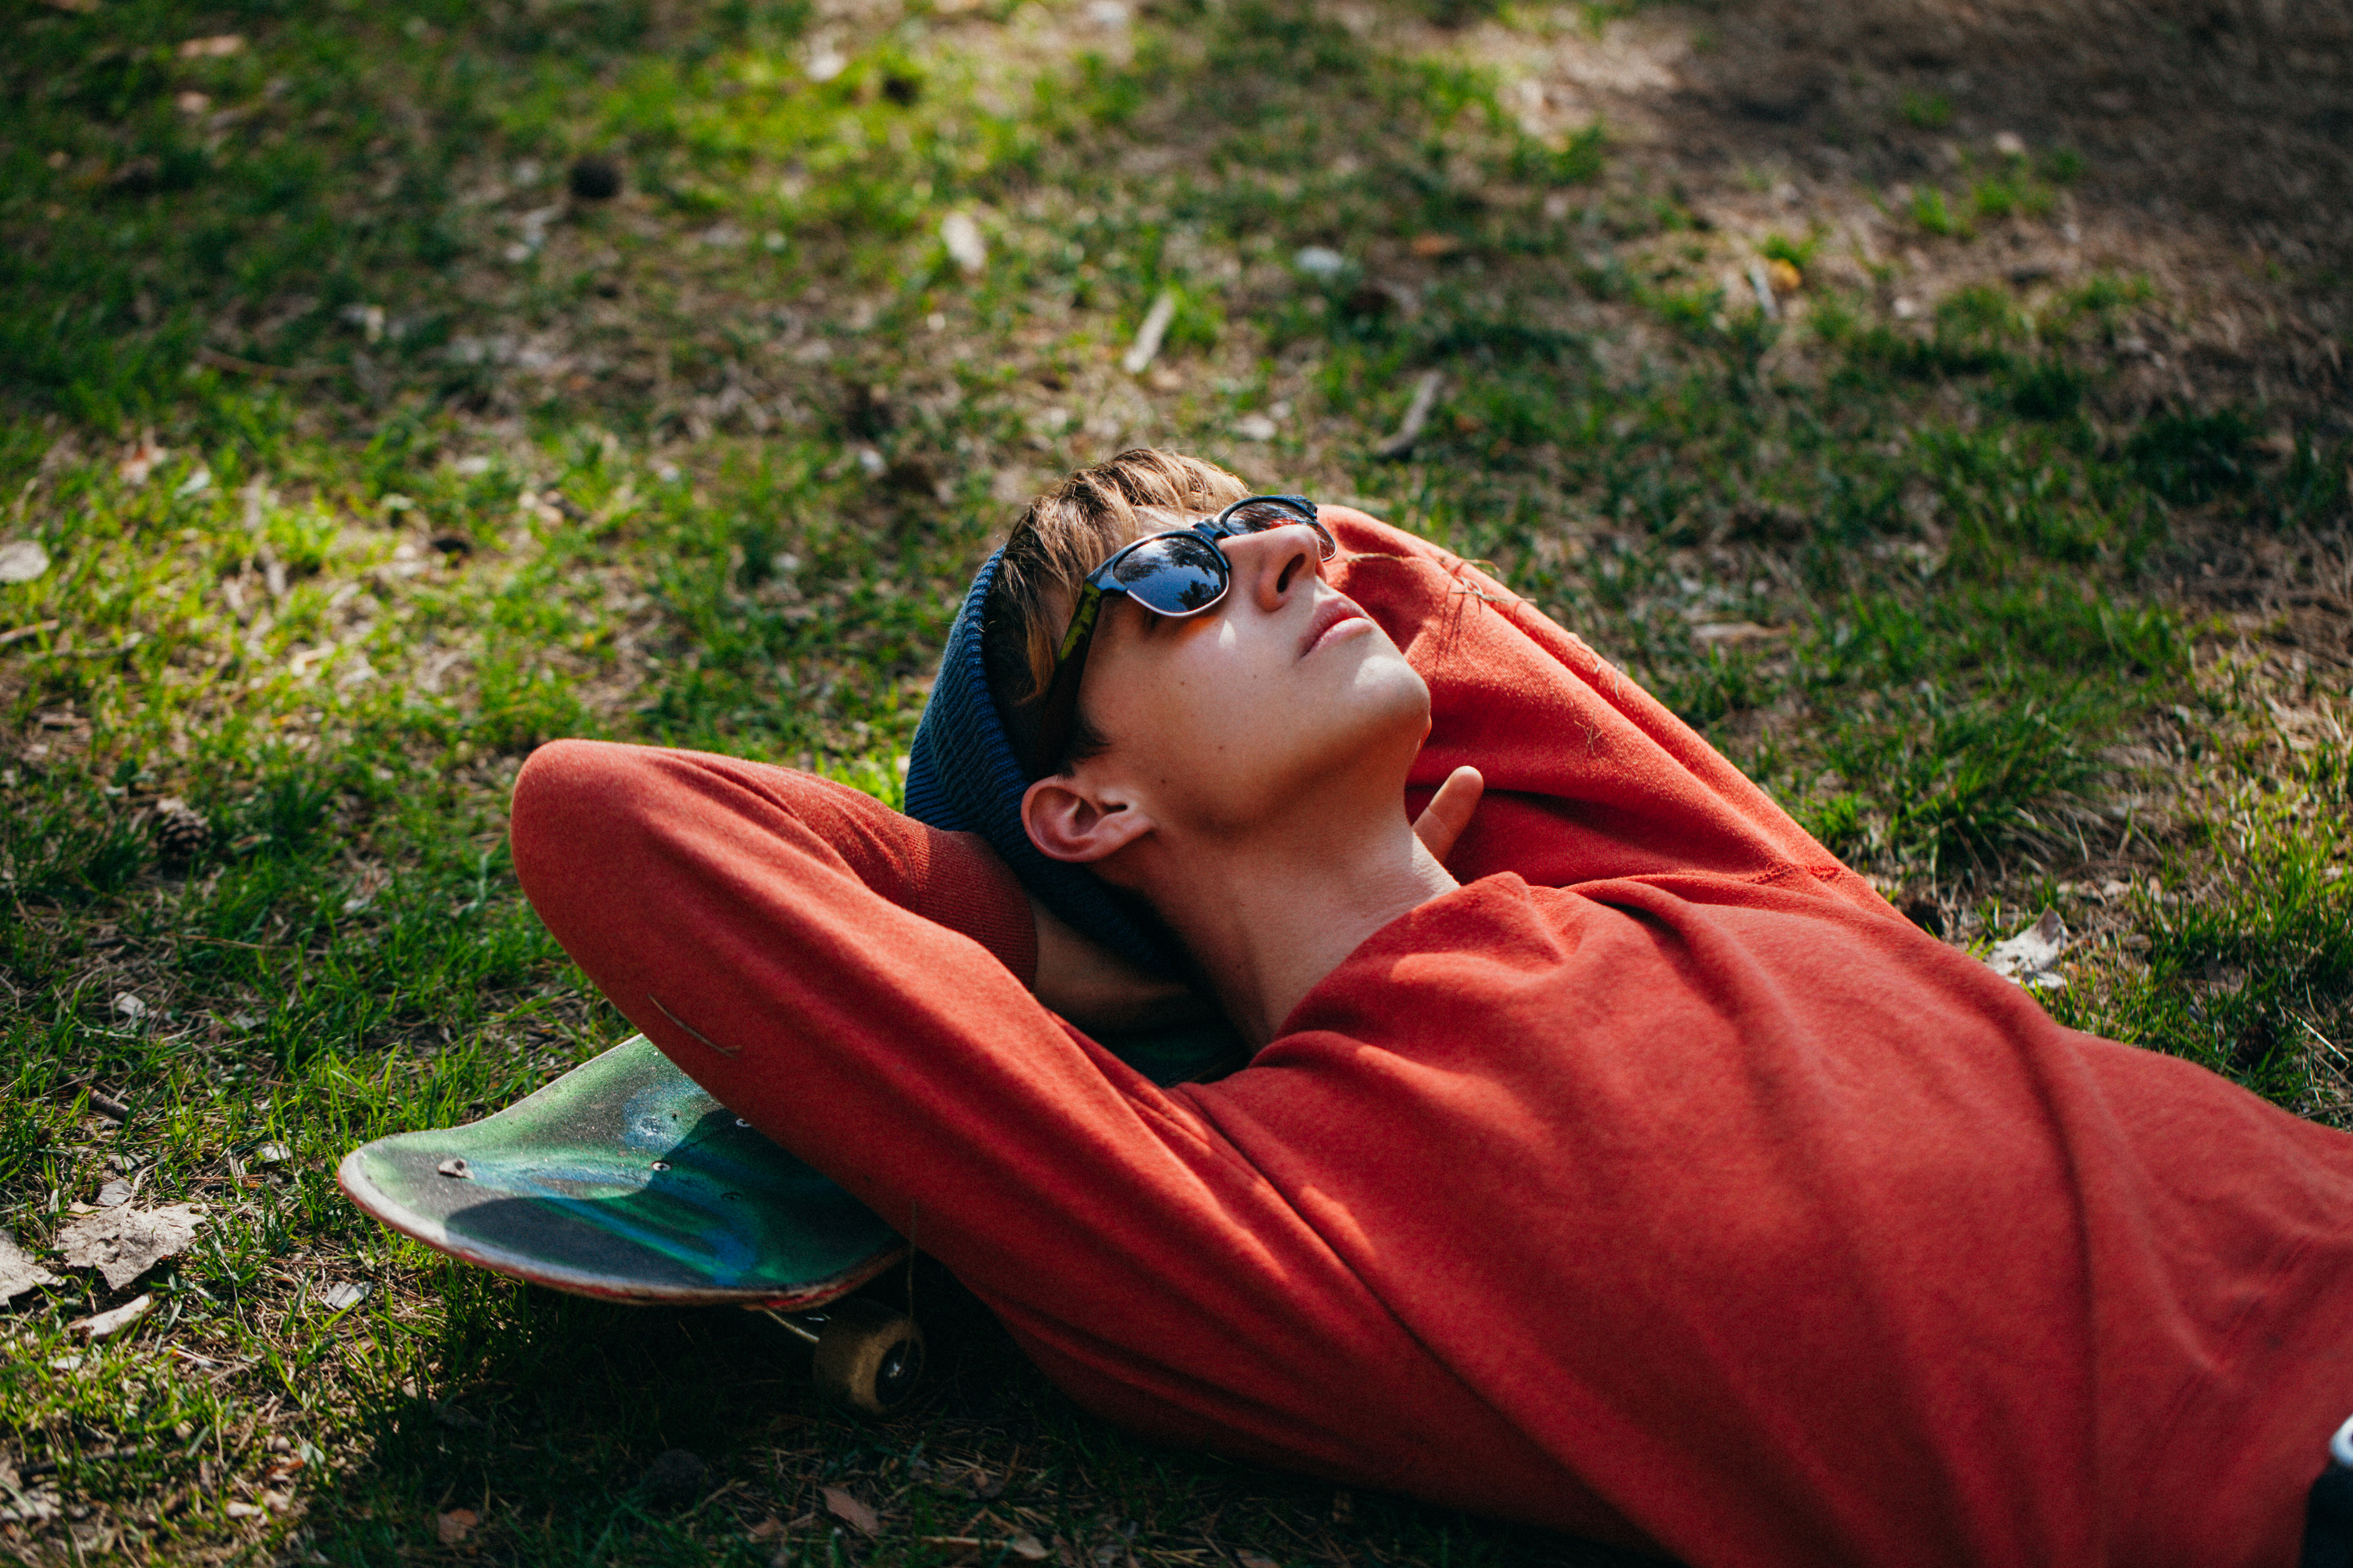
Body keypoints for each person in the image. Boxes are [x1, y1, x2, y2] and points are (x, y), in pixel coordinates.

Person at [508, 450, 2353, 1568]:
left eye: (1261, 526)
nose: (1281, 557)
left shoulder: (1679, 886)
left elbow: (1388, 562)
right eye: (1165, 583)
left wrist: (1235, 704)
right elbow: (614, 817)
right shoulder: (1273, 1219)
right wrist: (1073, 951)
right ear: (1084, 807)